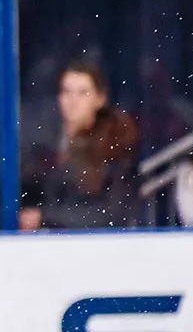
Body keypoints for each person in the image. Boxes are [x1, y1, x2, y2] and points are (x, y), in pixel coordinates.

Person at [19, 62, 139, 230]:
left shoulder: (116, 147)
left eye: (82, 93)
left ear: (100, 99)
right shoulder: (41, 146)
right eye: (66, 92)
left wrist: (45, 218)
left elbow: (113, 213)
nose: (72, 101)